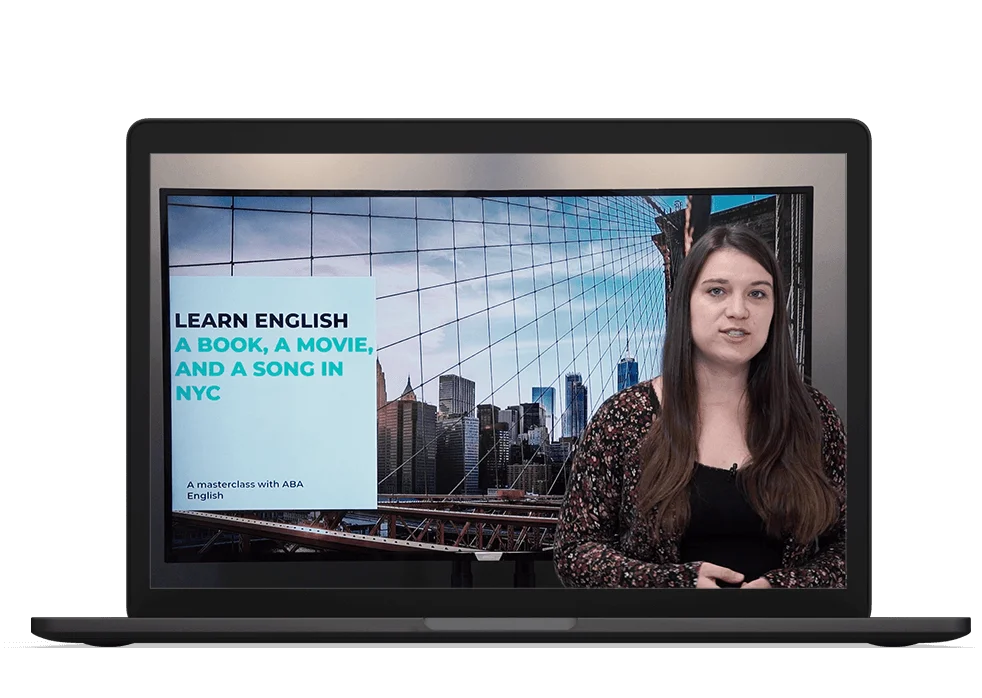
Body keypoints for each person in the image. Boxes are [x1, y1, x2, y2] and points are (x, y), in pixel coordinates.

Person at [553, 225, 846, 589]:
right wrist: (676, 585)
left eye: (757, 293)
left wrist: (785, 588)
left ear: (775, 310)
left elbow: (852, 546)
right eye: (717, 291)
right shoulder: (622, 417)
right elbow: (574, 552)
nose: (738, 310)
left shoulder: (814, 416)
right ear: (685, 304)